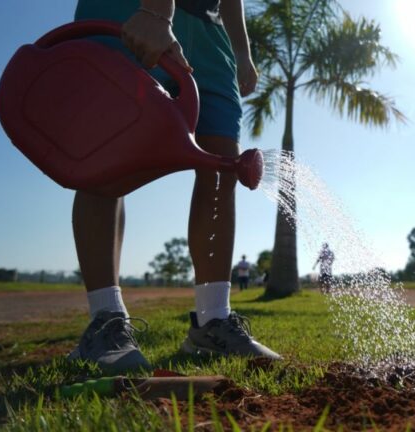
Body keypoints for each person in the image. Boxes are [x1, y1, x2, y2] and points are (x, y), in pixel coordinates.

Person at [68, 0, 280, 373]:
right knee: (106, 150)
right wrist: (156, 12)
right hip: (130, 11)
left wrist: (242, 53)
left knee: (221, 165)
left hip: (209, 32)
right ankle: (106, 322)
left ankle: (211, 320)